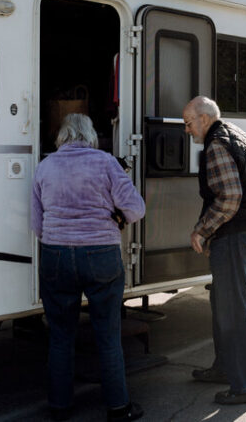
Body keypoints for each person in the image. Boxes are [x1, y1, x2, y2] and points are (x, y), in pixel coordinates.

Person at [30, 113, 146, 422]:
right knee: (107, 334)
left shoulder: (45, 166)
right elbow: (136, 209)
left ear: (62, 136)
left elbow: (37, 225)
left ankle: (59, 406)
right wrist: (115, 217)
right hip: (100, 254)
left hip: (55, 255)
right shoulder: (106, 162)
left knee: (60, 335)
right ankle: (119, 408)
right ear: (90, 135)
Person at [182, 96, 246, 405]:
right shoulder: (237, 133)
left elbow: (230, 198)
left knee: (234, 309)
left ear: (204, 119)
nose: (188, 130)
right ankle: (225, 368)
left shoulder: (217, 144)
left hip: (235, 233)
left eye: (189, 123)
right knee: (223, 302)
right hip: (242, 230)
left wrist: (203, 230)